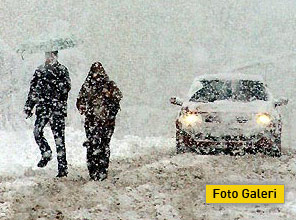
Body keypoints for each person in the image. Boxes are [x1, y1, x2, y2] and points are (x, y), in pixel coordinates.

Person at [24, 51, 71, 177]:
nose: (49, 58)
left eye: (51, 55)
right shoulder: (40, 71)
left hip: (57, 109)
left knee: (59, 139)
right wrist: (29, 106)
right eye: (47, 55)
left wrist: (55, 85)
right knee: (37, 131)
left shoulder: (62, 70)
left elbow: (67, 87)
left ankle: (62, 168)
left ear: (56, 56)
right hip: (43, 108)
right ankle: (46, 152)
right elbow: (33, 90)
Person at [76, 62, 122, 181]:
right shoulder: (87, 85)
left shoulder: (109, 85)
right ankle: (93, 170)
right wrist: (82, 106)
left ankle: (102, 170)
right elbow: (80, 99)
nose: (97, 75)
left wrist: (109, 95)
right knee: (92, 146)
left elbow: (118, 96)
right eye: (95, 72)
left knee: (103, 146)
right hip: (91, 122)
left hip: (107, 122)